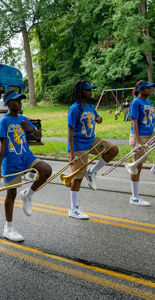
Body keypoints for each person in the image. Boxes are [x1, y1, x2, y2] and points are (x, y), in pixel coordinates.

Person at [0, 90, 52, 241]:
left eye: (20, 100)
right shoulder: (4, 121)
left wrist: (30, 129)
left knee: (46, 170)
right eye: (15, 100)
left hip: (26, 157)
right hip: (11, 161)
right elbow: (3, 146)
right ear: (7, 103)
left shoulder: (23, 119)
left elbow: (38, 135)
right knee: (11, 194)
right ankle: (9, 227)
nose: (19, 103)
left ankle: (28, 194)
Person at [67, 81, 119, 220]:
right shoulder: (75, 108)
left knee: (113, 149)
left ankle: (92, 172)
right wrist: (71, 153)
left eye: (91, 90)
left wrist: (99, 118)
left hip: (91, 141)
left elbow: (96, 118)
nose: (91, 92)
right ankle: (73, 208)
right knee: (77, 178)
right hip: (78, 146)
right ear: (80, 92)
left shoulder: (90, 106)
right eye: (87, 90)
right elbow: (70, 130)